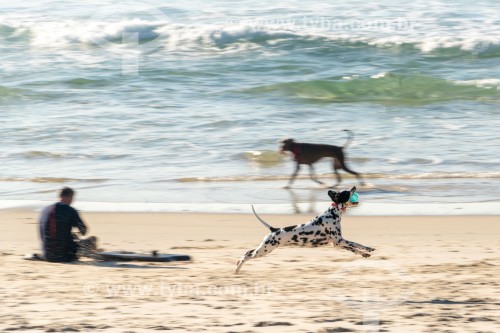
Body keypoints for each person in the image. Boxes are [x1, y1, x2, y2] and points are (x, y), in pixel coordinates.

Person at [39, 187, 89, 262]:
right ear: (70, 197)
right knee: (93, 239)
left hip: (47, 255)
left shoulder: (45, 210)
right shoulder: (70, 211)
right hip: (65, 256)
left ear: (59, 196)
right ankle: (91, 251)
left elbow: (42, 235)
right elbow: (83, 230)